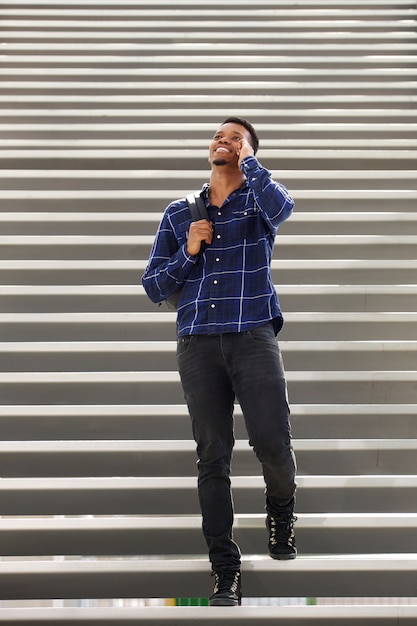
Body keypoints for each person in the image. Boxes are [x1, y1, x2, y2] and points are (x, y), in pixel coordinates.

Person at [142, 117, 297, 607]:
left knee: (272, 441)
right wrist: (189, 251)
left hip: (252, 333)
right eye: (218, 136)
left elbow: (284, 207)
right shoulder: (178, 212)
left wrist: (251, 164)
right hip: (198, 343)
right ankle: (224, 569)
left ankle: (281, 508)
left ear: (249, 151)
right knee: (213, 457)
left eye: (235, 137)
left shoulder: (259, 200)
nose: (223, 141)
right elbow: (153, 287)